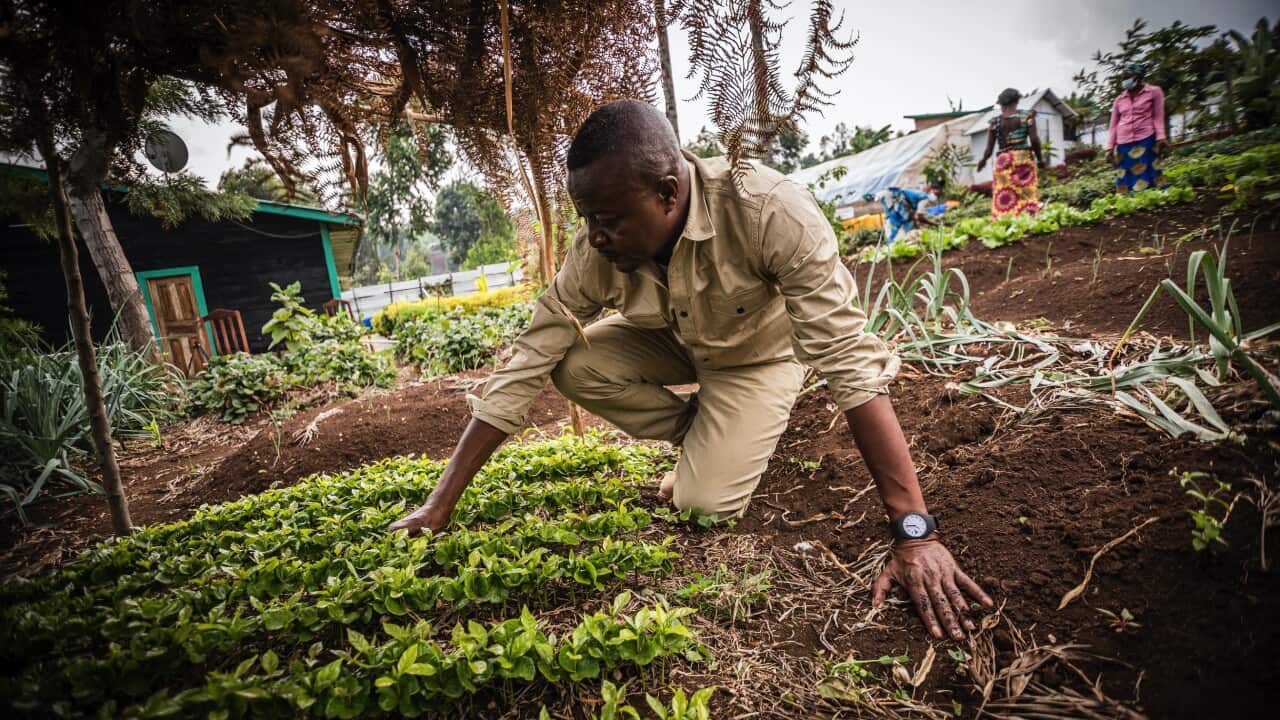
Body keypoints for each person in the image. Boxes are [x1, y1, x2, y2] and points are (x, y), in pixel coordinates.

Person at [390, 100, 993, 641]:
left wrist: (915, 533)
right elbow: (532, 353)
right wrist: (439, 504)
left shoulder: (767, 210)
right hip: (677, 343)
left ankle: (727, 433)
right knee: (573, 362)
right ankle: (706, 431)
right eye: (586, 218)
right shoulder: (599, 245)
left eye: (608, 219)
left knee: (702, 504)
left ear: (667, 193)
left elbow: (849, 365)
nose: (594, 237)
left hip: (759, 357)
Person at [975, 88, 1045, 218]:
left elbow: (989, 149)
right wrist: (1040, 159)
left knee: (1004, 193)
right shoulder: (1027, 116)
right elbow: (1034, 140)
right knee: (1026, 191)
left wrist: (983, 161)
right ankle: (1029, 216)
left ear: (1001, 104)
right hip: (1022, 158)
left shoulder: (995, 122)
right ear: (1017, 101)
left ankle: (1004, 219)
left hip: (1003, 160)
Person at [1107, 62, 1168, 193]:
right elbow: (1113, 125)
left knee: (1150, 170)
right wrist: (1110, 147)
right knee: (1125, 173)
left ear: (1138, 77)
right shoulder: (1119, 100)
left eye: (1127, 77)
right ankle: (1129, 200)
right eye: (1123, 78)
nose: (1125, 81)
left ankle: (1154, 197)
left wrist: (1161, 137)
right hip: (1124, 142)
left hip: (1146, 138)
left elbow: (1158, 116)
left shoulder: (1154, 92)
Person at [863, 186, 937, 244]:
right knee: (903, 238)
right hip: (899, 222)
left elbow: (915, 216)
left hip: (903, 220)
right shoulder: (894, 205)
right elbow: (917, 217)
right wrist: (935, 224)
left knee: (910, 236)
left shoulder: (906, 196)